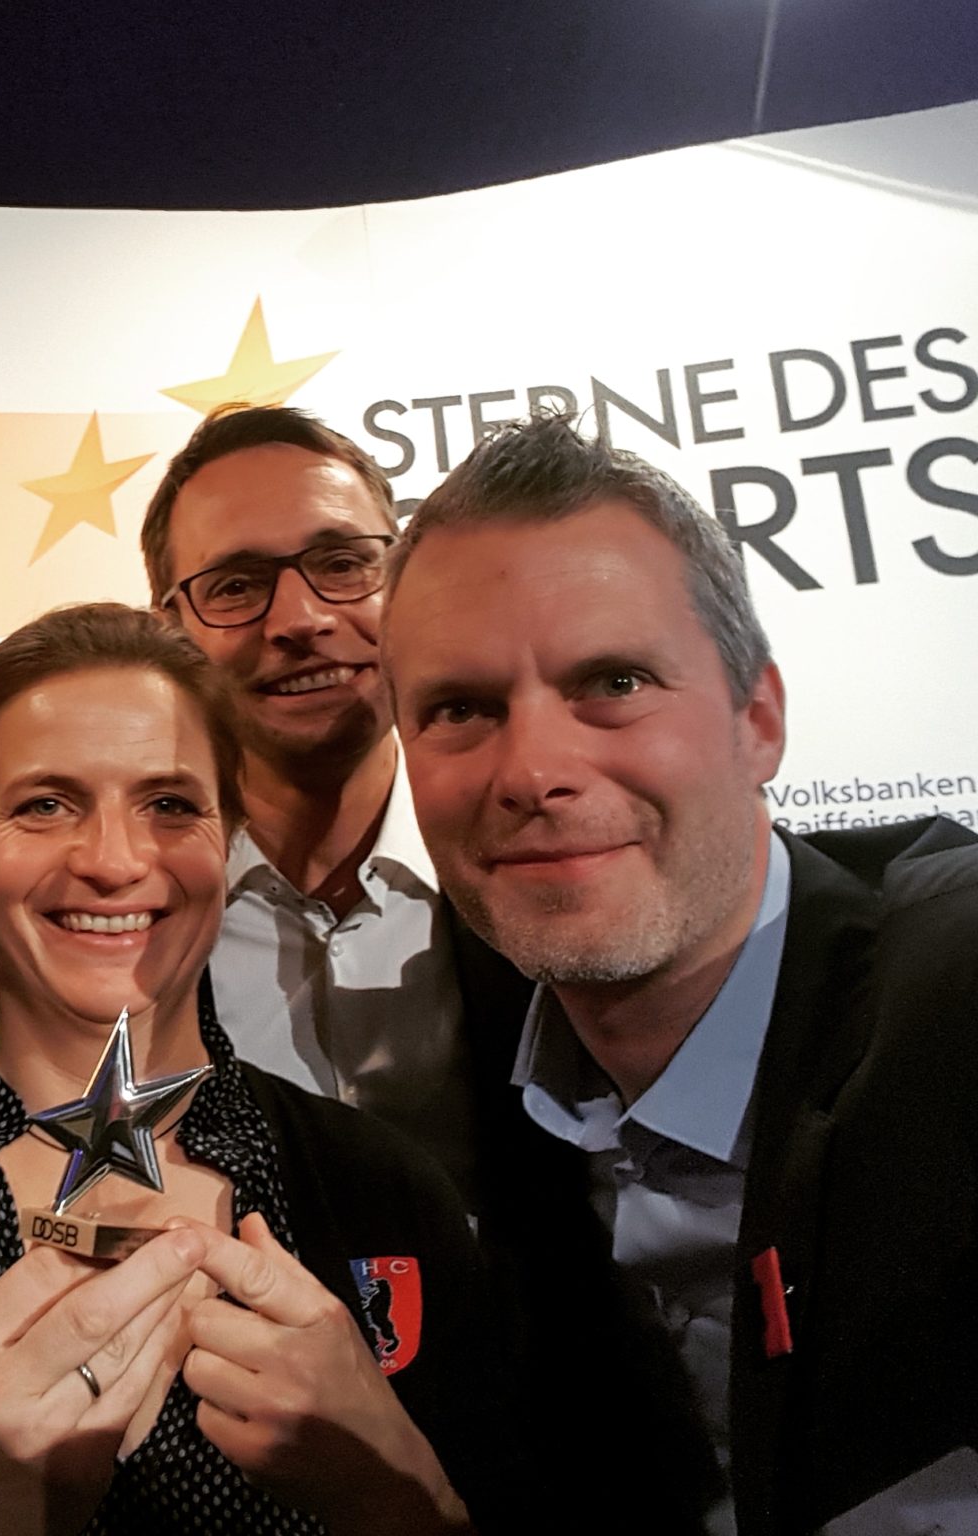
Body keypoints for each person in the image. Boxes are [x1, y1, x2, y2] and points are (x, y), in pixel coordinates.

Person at [0, 604, 531, 1535]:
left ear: (228, 839)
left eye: (170, 805)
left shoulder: (379, 1189)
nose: (114, 861)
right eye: (45, 805)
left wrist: (391, 1492)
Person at [382, 411, 978, 1536]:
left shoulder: (953, 993)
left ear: (758, 721)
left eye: (613, 681)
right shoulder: (478, 1085)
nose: (533, 770)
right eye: (460, 709)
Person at [141, 406, 528, 1201]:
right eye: (236, 586)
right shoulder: (123, 918)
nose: (302, 620)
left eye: (344, 564)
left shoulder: (542, 851)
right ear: (170, 633)